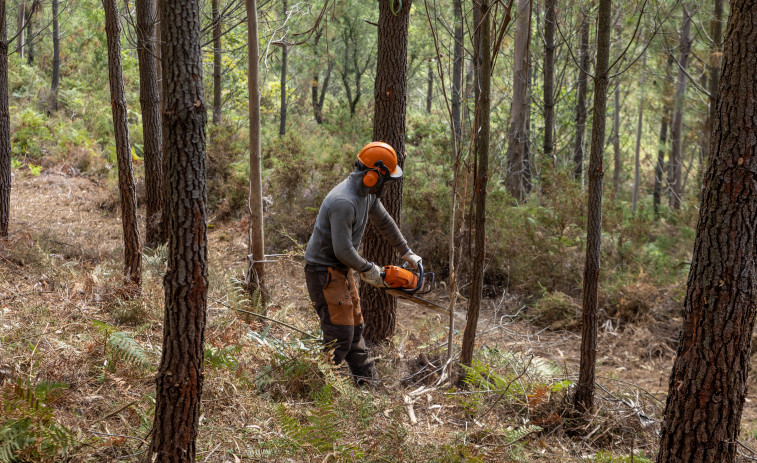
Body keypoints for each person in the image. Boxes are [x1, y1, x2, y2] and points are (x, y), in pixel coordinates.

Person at [304, 141, 422, 385]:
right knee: (339, 334)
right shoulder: (343, 202)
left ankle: (368, 387)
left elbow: (384, 222)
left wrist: (406, 251)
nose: (386, 186)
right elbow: (343, 250)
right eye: (385, 180)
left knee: (355, 329)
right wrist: (370, 269)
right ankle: (321, 391)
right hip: (322, 270)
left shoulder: (366, 195)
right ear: (372, 175)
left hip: (341, 268)